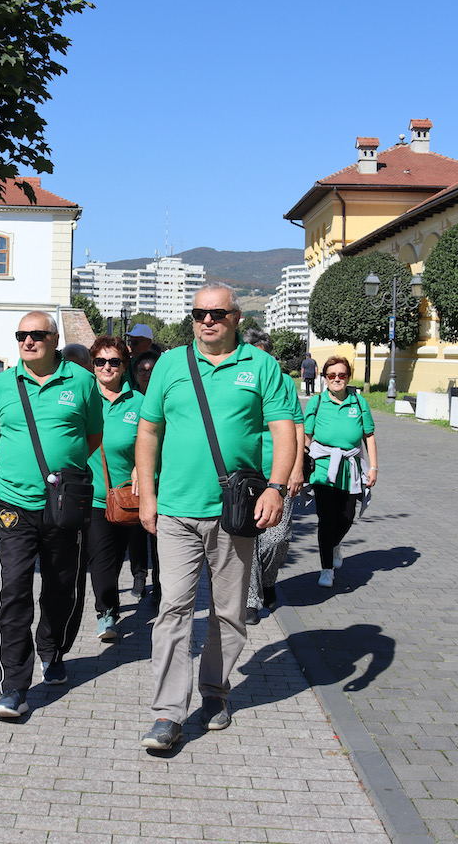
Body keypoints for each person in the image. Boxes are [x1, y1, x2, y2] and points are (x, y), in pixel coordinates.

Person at [134, 284, 296, 750]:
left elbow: (284, 431)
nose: (207, 320)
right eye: (199, 313)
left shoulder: (261, 366)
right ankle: (168, 713)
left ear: (236, 317)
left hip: (234, 511)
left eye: (217, 313)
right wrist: (147, 496)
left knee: (227, 612)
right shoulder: (170, 364)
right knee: (173, 608)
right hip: (176, 510)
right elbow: (149, 430)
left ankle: (215, 691)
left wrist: (276, 488)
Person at [0, 311, 103, 719]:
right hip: (14, 505)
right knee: (13, 590)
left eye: (36, 335)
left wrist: (60, 473)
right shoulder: (1, 385)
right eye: (21, 335)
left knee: (61, 586)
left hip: (64, 505)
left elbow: (92, 436)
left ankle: (52, 650)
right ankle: (13, 686)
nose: (28, 341)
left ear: (54, 339)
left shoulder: (82, 381)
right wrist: (26, 469)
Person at [241, 329, 307, 625]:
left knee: (276, 538)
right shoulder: (238, 380)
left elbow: (297, 426)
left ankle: (268, 580)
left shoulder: (283, 382)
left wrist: (297, 468)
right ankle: (251, 600)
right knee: (248, 539)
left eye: (264, 356)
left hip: (279, 473)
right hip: (245, 474)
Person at [84, 335, 142, 643]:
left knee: (117, 556)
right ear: (92, 364)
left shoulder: (139, 403)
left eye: (114, 361)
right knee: (101, 558)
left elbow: (155, 444)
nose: (107, 367)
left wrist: (142, 467)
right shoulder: (83, 396)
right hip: (91, 496)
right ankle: (106, 613)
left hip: (125, 497)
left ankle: (111, 605)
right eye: (100, 361)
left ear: (125, 364)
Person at [304, 355, 377, 588]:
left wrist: (373, 467)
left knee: (346, 517)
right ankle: (326, 569)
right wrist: (299, 465)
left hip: (350, 467)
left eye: (341, 375)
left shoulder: (358, 402)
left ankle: (335, 544)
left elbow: (369, 436)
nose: (337, 379)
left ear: (348, 377)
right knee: (326, 519)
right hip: (323, 467)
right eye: (332, 375)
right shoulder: (317, 402)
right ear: (325, 378)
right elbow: (306, 435)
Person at [127, 347, 163, 602]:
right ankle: (139, 576)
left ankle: (160, 584)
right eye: (142, 370)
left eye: (152, 370)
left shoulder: (166, 400)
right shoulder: (131, 401)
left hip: (164, 476)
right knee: (137, 534)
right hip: (136, 478)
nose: (147, 374)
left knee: (160, 536)